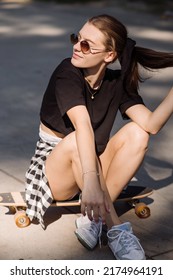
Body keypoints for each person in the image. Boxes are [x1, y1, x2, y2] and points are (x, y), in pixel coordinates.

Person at [25, 14, 173, 260]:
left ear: (109, 55)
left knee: (138, 133)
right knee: (74, 139)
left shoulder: (116, 82)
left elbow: (152, 124)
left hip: (92, 164)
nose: (76, 46)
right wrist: (91, 183)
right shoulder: (67, 72)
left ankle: (91, 218)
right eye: (77, 38)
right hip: (57, 170)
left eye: (86, 44)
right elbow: (82, 126)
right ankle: (116, 230)